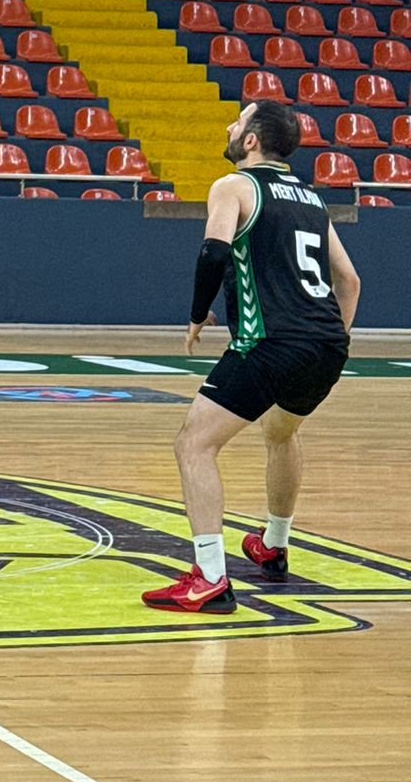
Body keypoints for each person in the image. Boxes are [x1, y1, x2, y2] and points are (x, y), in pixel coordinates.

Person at [142, 101, 359, 615]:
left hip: (269, 344)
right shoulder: (310, 199)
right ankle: (275, 545)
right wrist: (327, 340)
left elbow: (213, 253)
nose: (229, 126)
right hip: (327, 345)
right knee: (281, 433)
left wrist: (197, 316)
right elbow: (349, 282)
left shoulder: (234, 186)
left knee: (193, 445)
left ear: (253, 141)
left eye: (237, 122)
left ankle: (210, 579)